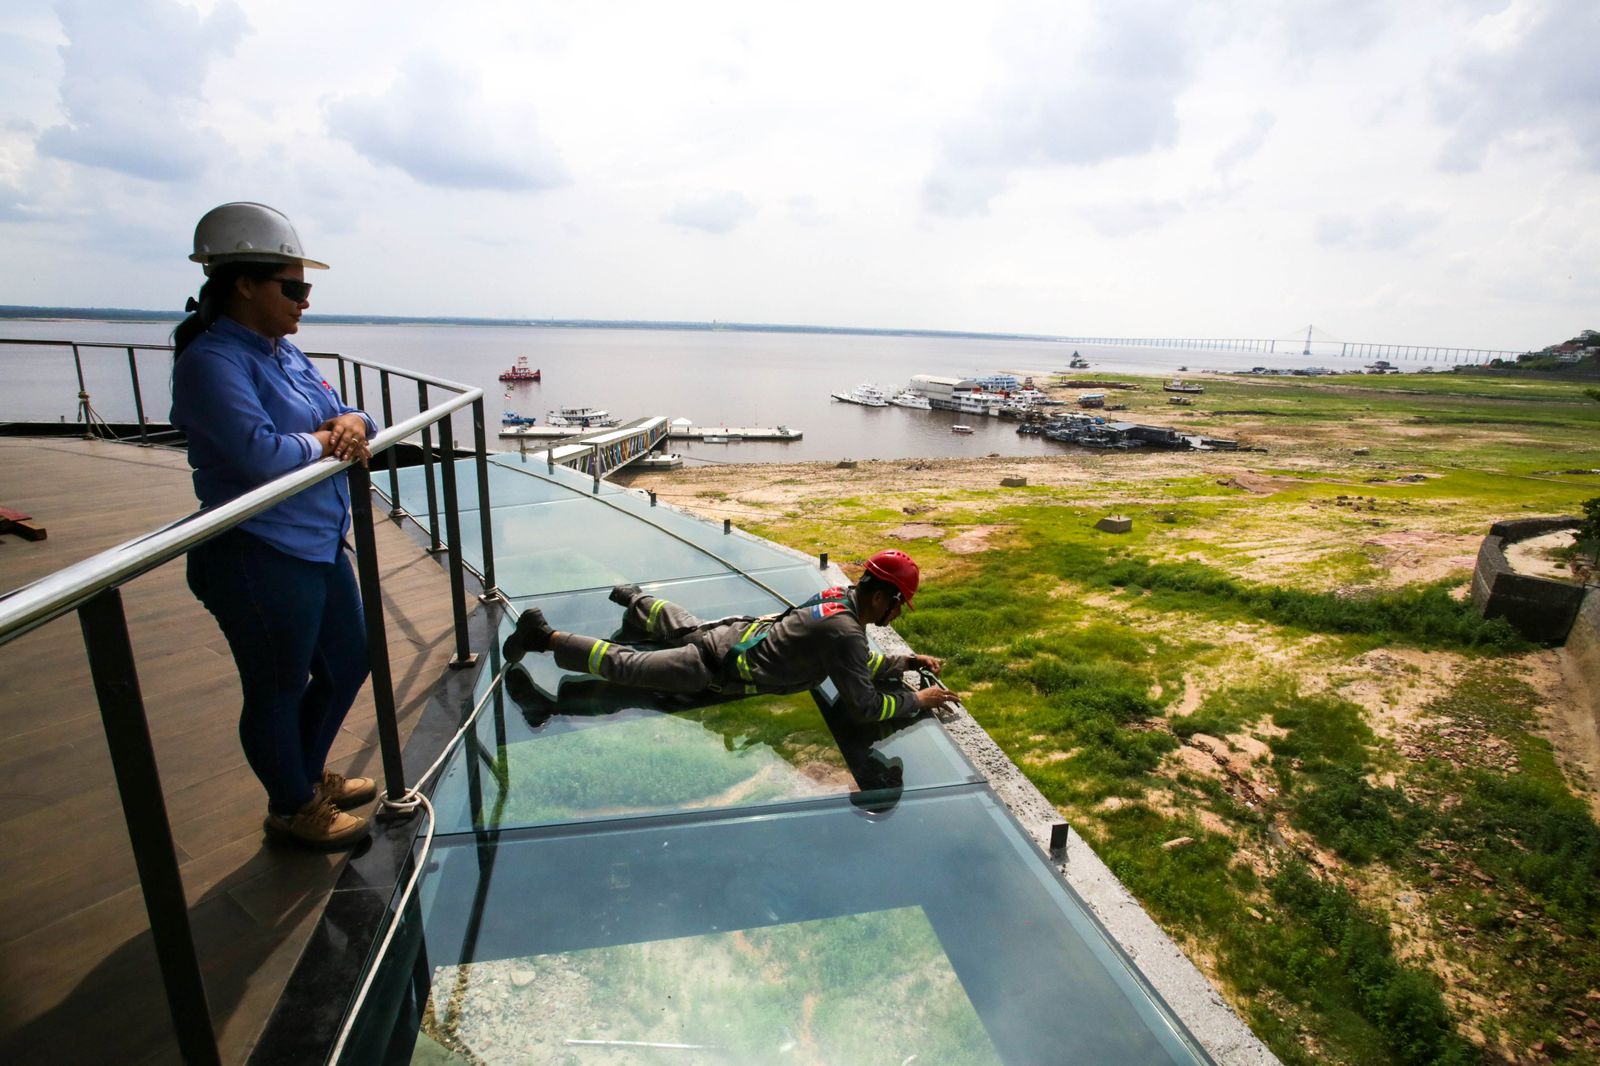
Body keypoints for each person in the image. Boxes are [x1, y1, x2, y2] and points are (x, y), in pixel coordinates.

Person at [170, 202, 378, 850]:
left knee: (349, 662)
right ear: (244, 284)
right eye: (293, 288)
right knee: (278, 687)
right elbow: (262, 453)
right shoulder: (213, 362)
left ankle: (306, 777)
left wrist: (353, 424)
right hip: (257, 552)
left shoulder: (280, 352)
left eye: (305, 289)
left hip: (316, 542)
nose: (303, 302)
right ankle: (291, 807)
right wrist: (327, 437)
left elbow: (344, 410)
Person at [501, 549, 956, 722]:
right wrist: (917, 700)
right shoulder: (847, 633)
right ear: (883, 597)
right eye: (899, 605)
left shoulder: (839, 597)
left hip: (736, 635)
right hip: (715, 667)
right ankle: (543, 636)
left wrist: (904, 663)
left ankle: (636, 600)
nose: (897, 615)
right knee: (628, 668)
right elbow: (865, 706)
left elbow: (856, 665)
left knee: (681, 624)